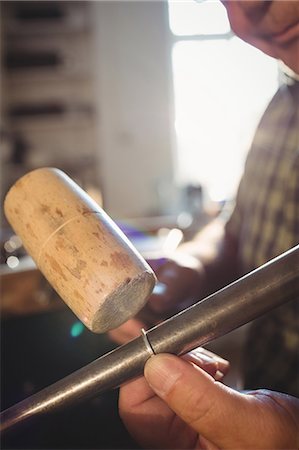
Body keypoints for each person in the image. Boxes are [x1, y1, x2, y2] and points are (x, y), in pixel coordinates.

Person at [114, 0, 299, 448]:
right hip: (268, 375)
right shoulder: (284, 105)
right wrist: (191, 264)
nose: (245, 12)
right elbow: (238, 228)